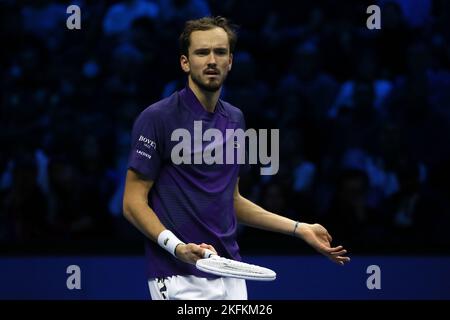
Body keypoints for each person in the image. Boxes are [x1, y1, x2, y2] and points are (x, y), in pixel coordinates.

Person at [122, 16, 350, 300]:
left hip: (231, 272)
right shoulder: (157, 118)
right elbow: (132, 203)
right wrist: (177, 247)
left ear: (230, 61)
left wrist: (298, 228)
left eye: (220, 52)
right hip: (179, 274)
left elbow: (232, 201)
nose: (212, 60)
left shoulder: (235, 119)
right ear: (185, 62)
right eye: (202, 52)